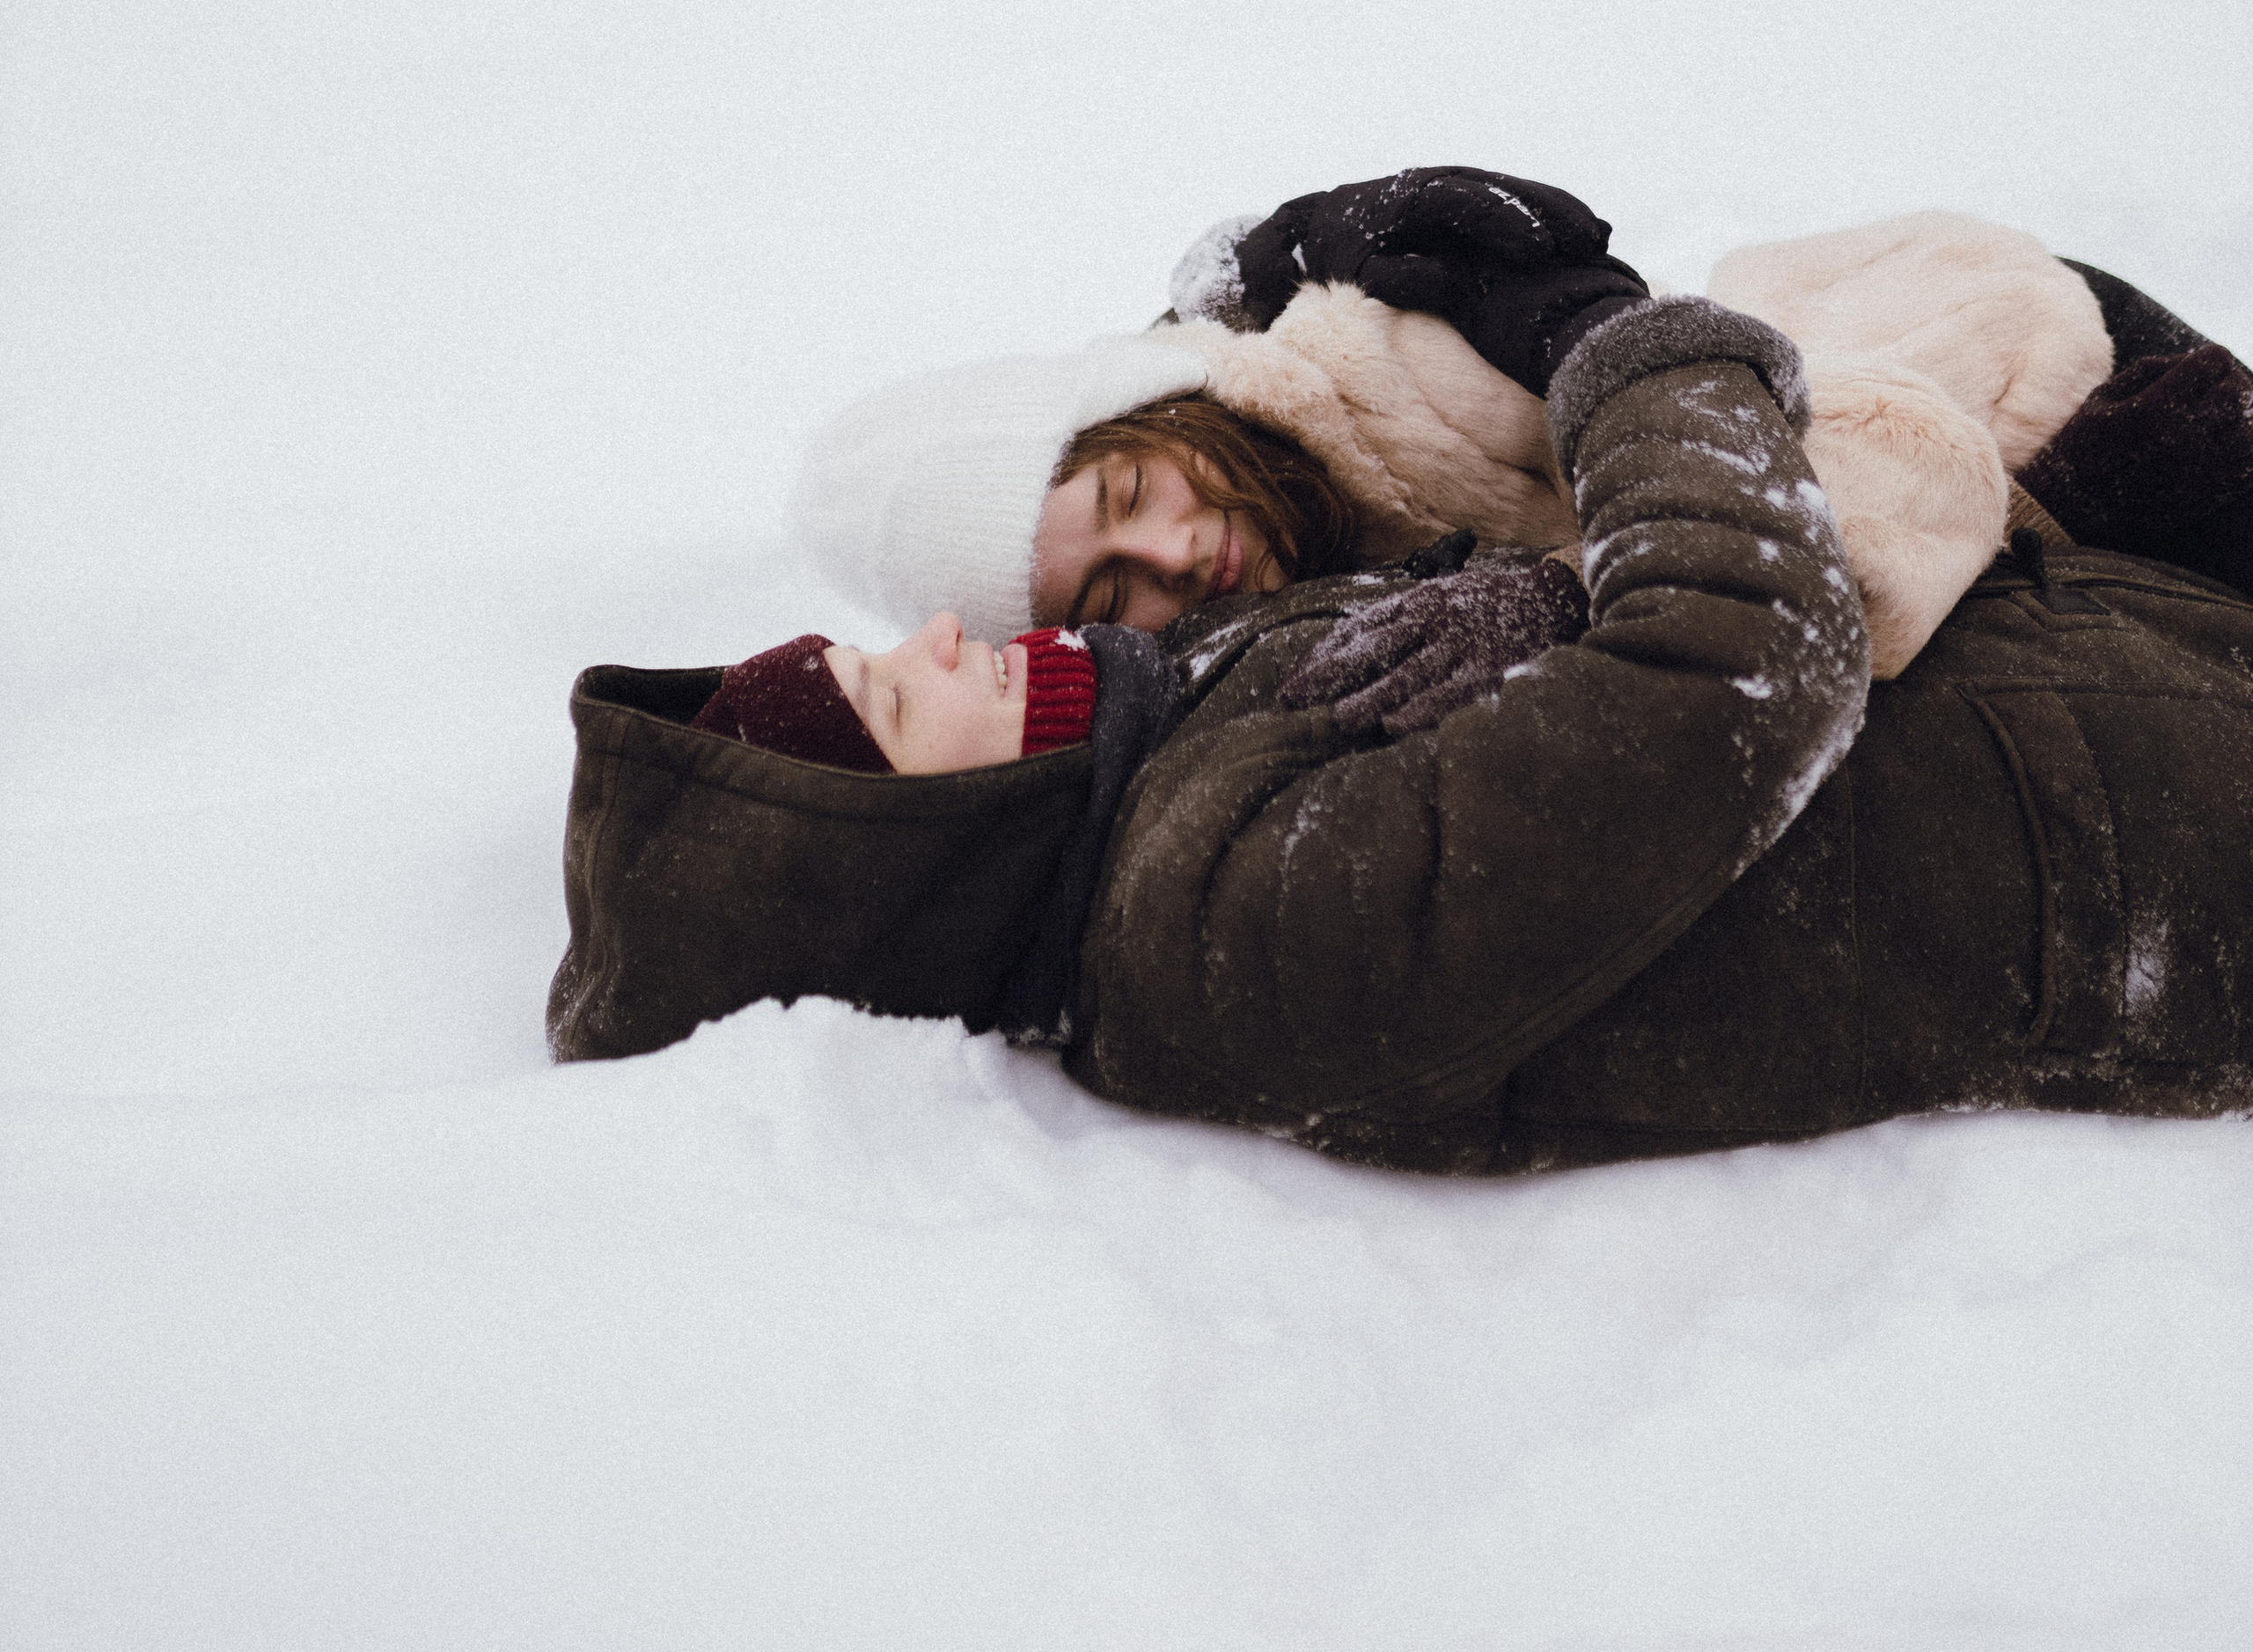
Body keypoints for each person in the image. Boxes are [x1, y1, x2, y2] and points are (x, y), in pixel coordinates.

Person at [547, 273, 2253, 1171]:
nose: (932, 639)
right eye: (880, 697)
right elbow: (1737, 666)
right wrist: (1637, 372)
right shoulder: (1239, 933)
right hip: (2177, 824)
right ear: (885, 849)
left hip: (2126, 666)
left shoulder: (1153, 750)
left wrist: (1544, 588)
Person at [789, 171, 2126, 679]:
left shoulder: (1398, 368)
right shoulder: (1264, 612)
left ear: (1147, 415)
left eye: (1136, 499)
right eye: (1110, 591)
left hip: (1993, 374)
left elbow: (1790, 471)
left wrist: (1566, 598)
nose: (1180, 555)